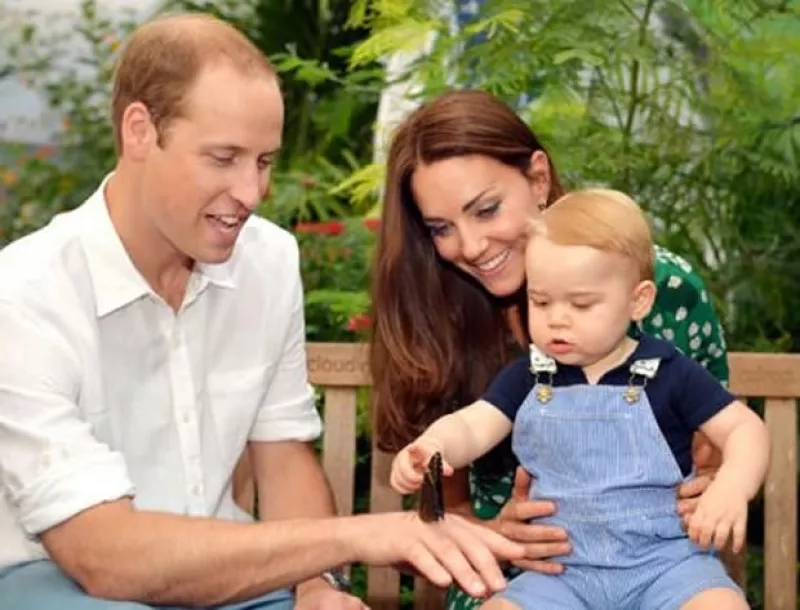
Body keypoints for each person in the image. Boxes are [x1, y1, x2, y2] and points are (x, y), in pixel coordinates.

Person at [0, 14, 526, 610]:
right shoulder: (23, 297)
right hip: (58, 584)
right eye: (224, 158)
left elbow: (282, 459)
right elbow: (103, 556)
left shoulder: (268, 261)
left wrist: (315, 586)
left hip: (235, 580)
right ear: (140, 131)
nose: (252, 193)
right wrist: (354, 536)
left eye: (264, 161)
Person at [369, 89, 734, 610]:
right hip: (521, 581)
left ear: (538, 179)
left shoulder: (656, 286)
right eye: (441, 228)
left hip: (659, 567)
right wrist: (493, 535)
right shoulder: (437, 314)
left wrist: (717, 484)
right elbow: (433, 522)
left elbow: (719, 445)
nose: (470, 246)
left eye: (487, 209)